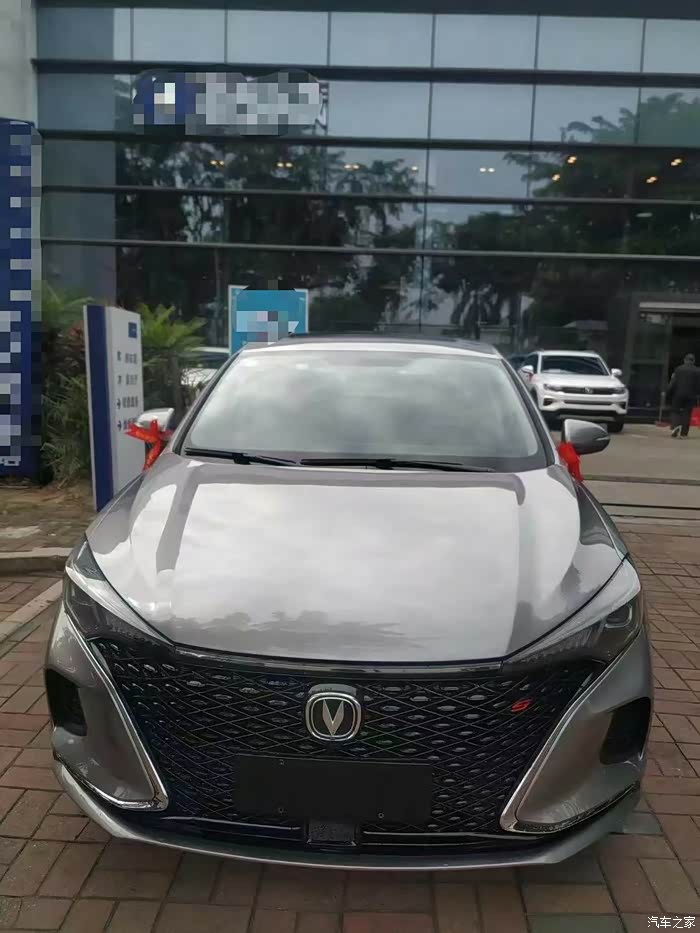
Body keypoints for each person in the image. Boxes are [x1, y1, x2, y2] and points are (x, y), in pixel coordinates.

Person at [667, 352, 700, 438]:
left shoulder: (678, 369)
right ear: (693, 361)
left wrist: (669, 392)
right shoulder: (698, 371)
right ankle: (684, 433)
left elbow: (673, 383)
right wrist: (697, 394)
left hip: (678, 394)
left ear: (685, 360)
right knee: (687, 413)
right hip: (691, 396)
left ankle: (675, 427)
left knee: (675, 411)